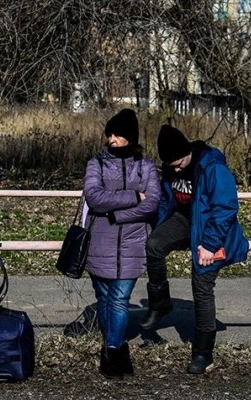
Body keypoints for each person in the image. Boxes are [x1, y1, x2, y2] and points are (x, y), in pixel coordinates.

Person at [139, 124, 249, 374]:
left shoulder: (213, 168)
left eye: (179, 164)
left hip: (211, 228)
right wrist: (159, 230)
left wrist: (209, 246)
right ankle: (160, 304)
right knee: (154, 244)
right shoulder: (170, 168)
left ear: (187, 152)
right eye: (171, 166)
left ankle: (203, 353)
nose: (176, 170)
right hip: (185, 221)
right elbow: (168, 201)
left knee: (201, 285)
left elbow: (226, 208)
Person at [83, 108, 161, 379]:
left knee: (119, 299)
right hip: (99, 243)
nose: (111, 139)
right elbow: (94, 198)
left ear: (130, 137)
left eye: (117, 134)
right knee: (104, 297)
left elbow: (152, 203)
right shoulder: (96, 164)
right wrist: (132, 197)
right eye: (109, 133)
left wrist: (116, 214)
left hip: (133, 243)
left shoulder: (147, 166)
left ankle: (113, 350)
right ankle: (111, 346)